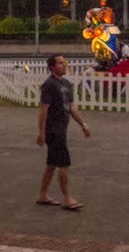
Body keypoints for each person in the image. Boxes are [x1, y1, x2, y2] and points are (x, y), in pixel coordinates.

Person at [36, 53, 90, 210]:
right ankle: (67, 198)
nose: (64, 65)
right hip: (54, 130)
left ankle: (42, 195)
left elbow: (71, 108)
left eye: (64, 62)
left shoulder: (66, 83)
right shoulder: (49, 85)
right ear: (52, 67)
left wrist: (83, 124)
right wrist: (41, 132)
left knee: (52, 163)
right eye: (60, 63)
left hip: (62, 128)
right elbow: (43, 110)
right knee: (63, 163)